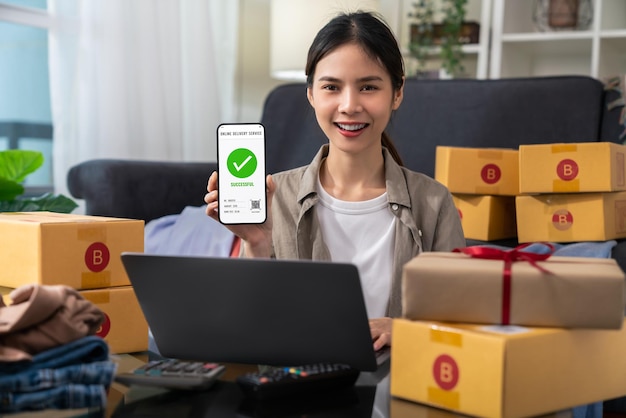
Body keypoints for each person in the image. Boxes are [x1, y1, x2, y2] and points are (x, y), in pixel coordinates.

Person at [204, 10, 465, 351]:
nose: (349, 105)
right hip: (299, 389)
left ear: (397, 92)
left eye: (368, 87)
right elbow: (249, 329)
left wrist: (407, 331)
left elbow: (462, 323)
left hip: (399, 388)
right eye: (331, 87)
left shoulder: (434, 203)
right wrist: (256, 243)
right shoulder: (275, 198)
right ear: (311, 93)